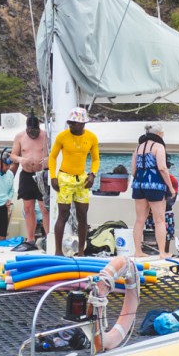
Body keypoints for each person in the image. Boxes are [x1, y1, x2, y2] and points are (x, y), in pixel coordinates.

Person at [50, 108, 101, 256]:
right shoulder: (62, 137)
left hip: (82, 179)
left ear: (82, 124)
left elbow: (96, 159)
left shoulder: (91, 137)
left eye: (74, 123)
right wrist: (53, 177)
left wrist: (92, 175)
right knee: (63, 214)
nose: (71, 125)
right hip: (65, 177)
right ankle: (58, 251)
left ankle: (81, 251)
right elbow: (52, 157)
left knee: (82, 215)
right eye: (69, 122)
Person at [12, 113, 51, 246]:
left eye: (35, 131)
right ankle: (30, 239)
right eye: (31, 132)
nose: (33, 134)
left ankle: (48, 237)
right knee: (28, 208)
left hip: (42, 174)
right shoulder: (20, 136)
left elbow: (56, 153)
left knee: (44, 208)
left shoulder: (46, 136)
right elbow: (13, 155)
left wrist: (48, 159)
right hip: (27, 174)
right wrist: (21, 159)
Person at [130, 128, 170, 257]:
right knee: (159, 220)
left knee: (139, 220)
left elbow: (133, 171)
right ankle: (162, 252)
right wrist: (170, 187)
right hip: (155, 184)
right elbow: (162, 168)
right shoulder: (158, 146)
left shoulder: (138, 148)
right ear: (158, 133)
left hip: (138, 184)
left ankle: (138, 251)